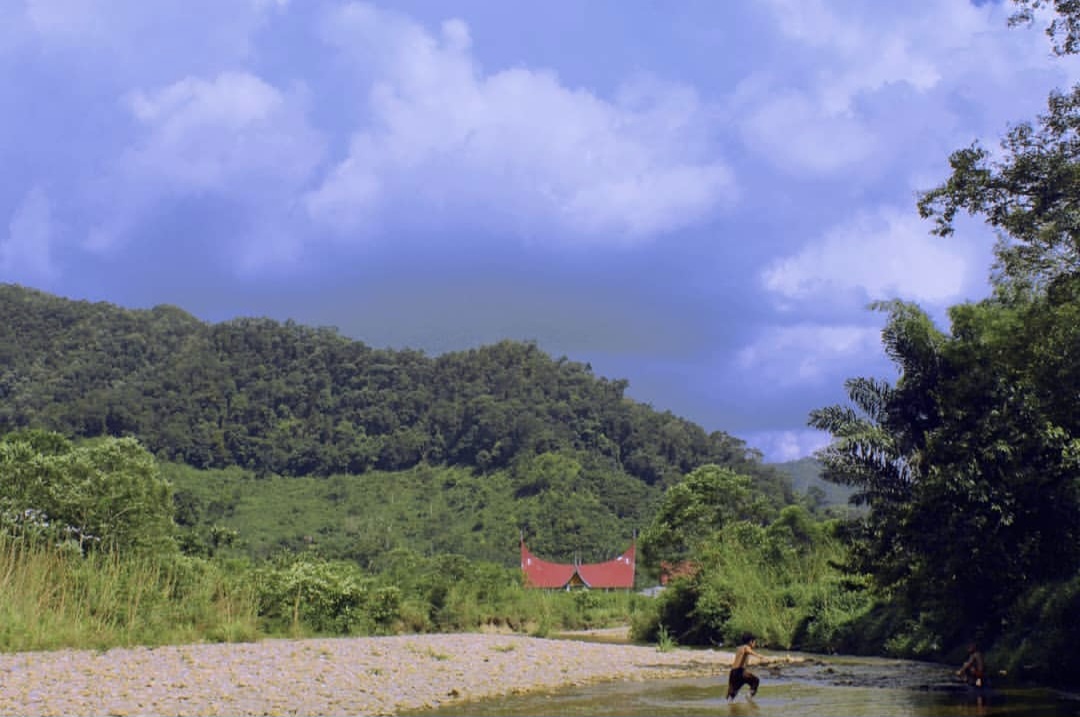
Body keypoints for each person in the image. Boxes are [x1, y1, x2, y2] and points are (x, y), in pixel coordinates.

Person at [726, 633, 763, 701]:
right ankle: (748, 697)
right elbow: (748, 651)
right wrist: (759, 656)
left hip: (733, 672)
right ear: (750, 641)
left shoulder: (739, 648)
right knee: (756, 680)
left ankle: (729, 704)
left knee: (732, 693)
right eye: (754, 642)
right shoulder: (746, 647)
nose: (755, 644)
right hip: (739, 671)